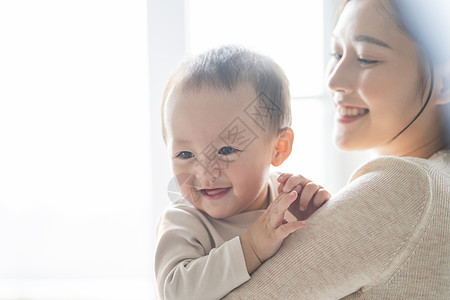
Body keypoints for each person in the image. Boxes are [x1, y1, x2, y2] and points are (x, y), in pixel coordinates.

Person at [223, 0, 450, 299]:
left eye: (367, 58)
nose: (334, 80)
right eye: (336, 53)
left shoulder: (408, 185)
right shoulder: (437, 179)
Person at [155, 46, 331, 300]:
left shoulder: (290, 199)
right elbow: (176, 292)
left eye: (226, 150)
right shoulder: (184, 221)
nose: (205, 172)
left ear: (278, 148)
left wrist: (318, 220)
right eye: (185, 154)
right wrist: (250, 249)